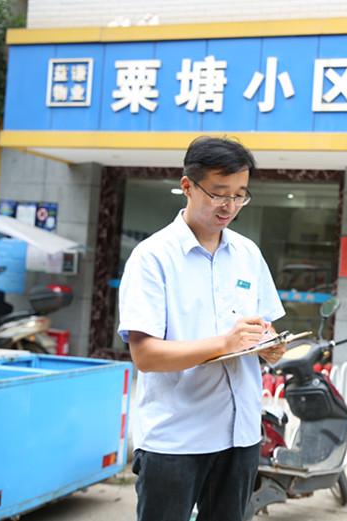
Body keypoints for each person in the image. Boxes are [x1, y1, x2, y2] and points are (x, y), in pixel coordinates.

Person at [118, 136, 286, 521]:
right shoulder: (153, 257)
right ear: (188, 186)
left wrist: (271, 344)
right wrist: (223, 344)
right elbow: (145, 355)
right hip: (176, 438)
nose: (229, 205)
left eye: (241, 194)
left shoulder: (247, 253)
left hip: (241, 435)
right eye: (219, 193)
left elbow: (265, 326)